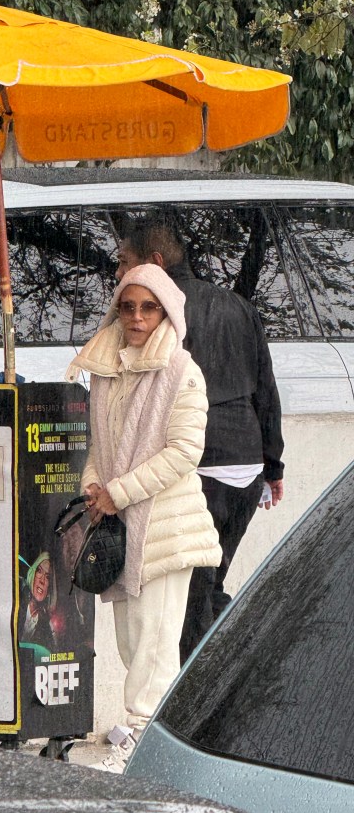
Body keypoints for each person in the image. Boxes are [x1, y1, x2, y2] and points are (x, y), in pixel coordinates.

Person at [66, 264, 221, 771]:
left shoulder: (182, 371)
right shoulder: (108, 366)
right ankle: (147, 736)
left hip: (165, 528)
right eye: (128, 306)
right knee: (133, 641)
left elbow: (183, 453)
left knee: (154, 642)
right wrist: (93, 483)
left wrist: (119, 492)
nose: (136, 317)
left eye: (147, 307)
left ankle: (140, 739)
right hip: (121, 527)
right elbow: (101, 447)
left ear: (166, 312)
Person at [117, 222, 284, 662]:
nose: (119, 277)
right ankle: (235, 664)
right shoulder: (239, 306)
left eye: (124, 262)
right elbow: (266, 389)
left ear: (153, 264)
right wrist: (273, 465)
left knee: (193, 593)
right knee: (210, 581)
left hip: (195, 466)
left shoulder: (157, 314)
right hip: (245, 465)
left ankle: (210, 686)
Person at [18, 551, 57, 652]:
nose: (42, 580)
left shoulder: (47, 626)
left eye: (48, 577)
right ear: (33, 573)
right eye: (39, 571)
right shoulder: (18, 599)